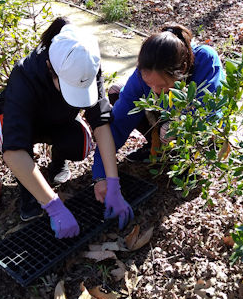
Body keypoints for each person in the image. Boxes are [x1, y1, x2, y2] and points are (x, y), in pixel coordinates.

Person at [0, 17, 133, 239]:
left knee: (81, 144)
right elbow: (14, 149)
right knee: (16, 147)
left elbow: (101, 122)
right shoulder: (25, 75)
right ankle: (29, 190)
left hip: (58, 119)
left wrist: (112, 182)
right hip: (25, 124)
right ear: (50, 67)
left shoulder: (86, 61)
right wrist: (54, 206)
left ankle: (57, 160)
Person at [92, 24, 224, 201]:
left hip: (202, 130)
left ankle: (184, 161)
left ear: (182, 69)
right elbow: (117, 126)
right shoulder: (141, 78)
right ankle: (157, 148)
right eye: (149, 84)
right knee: (118, 93)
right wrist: (101, 175)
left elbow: (211, 114)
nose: (154, 91)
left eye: (161, 86)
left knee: (178, 132)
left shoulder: (205, 60)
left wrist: (179, 125)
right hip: (165, 122)